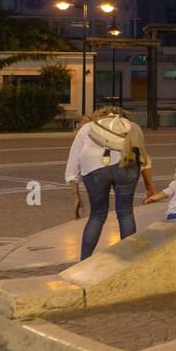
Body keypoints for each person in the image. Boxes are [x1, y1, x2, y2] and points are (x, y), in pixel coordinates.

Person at [65, 106, 157, 260]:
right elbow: (145, 161)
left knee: (97, 215)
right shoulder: (132, 128)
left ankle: (84, 261)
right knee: (126, 213)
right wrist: (150, 188)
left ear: (98, 115)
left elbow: (73, 164)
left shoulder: (87, 128)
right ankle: (129, 260)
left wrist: (76, 196)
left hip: (95, 171)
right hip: (126, 167)